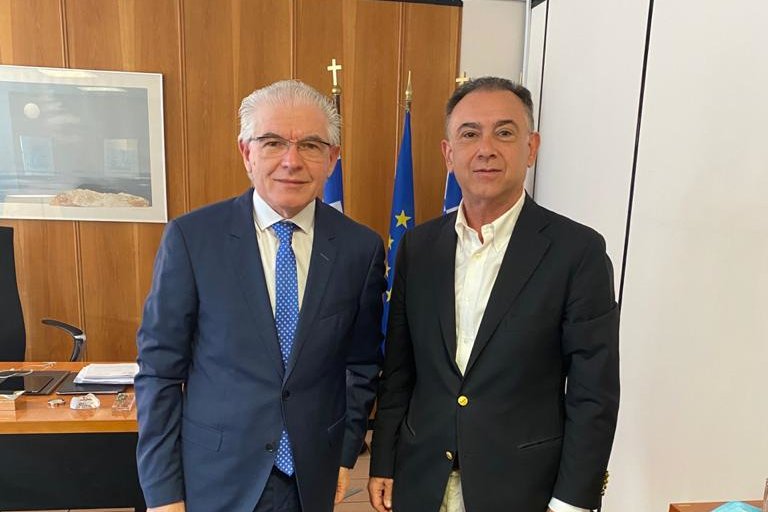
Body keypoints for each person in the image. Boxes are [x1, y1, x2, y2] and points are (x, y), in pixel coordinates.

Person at [368, 77, 620, 512]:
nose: (485, 149)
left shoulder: (577, 252)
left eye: (504, 132)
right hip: (421, 480)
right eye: (469, 134)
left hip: (524, 489)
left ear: (531, 148)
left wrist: (571, 501)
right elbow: (400, 372)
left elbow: (593, 392)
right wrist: (383, 461)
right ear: (449, 153)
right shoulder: (419, 248)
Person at [135, 80, 385, 512]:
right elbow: (159, 372)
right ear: (246, 153)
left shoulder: (359, 248)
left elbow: (361, 364)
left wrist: (346, 452)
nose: (292, 161)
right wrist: (163, 492)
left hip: (311, 477)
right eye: (272, 143)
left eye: (310, 145)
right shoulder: (193, 239)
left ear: (332, 158)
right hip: (216, 478)